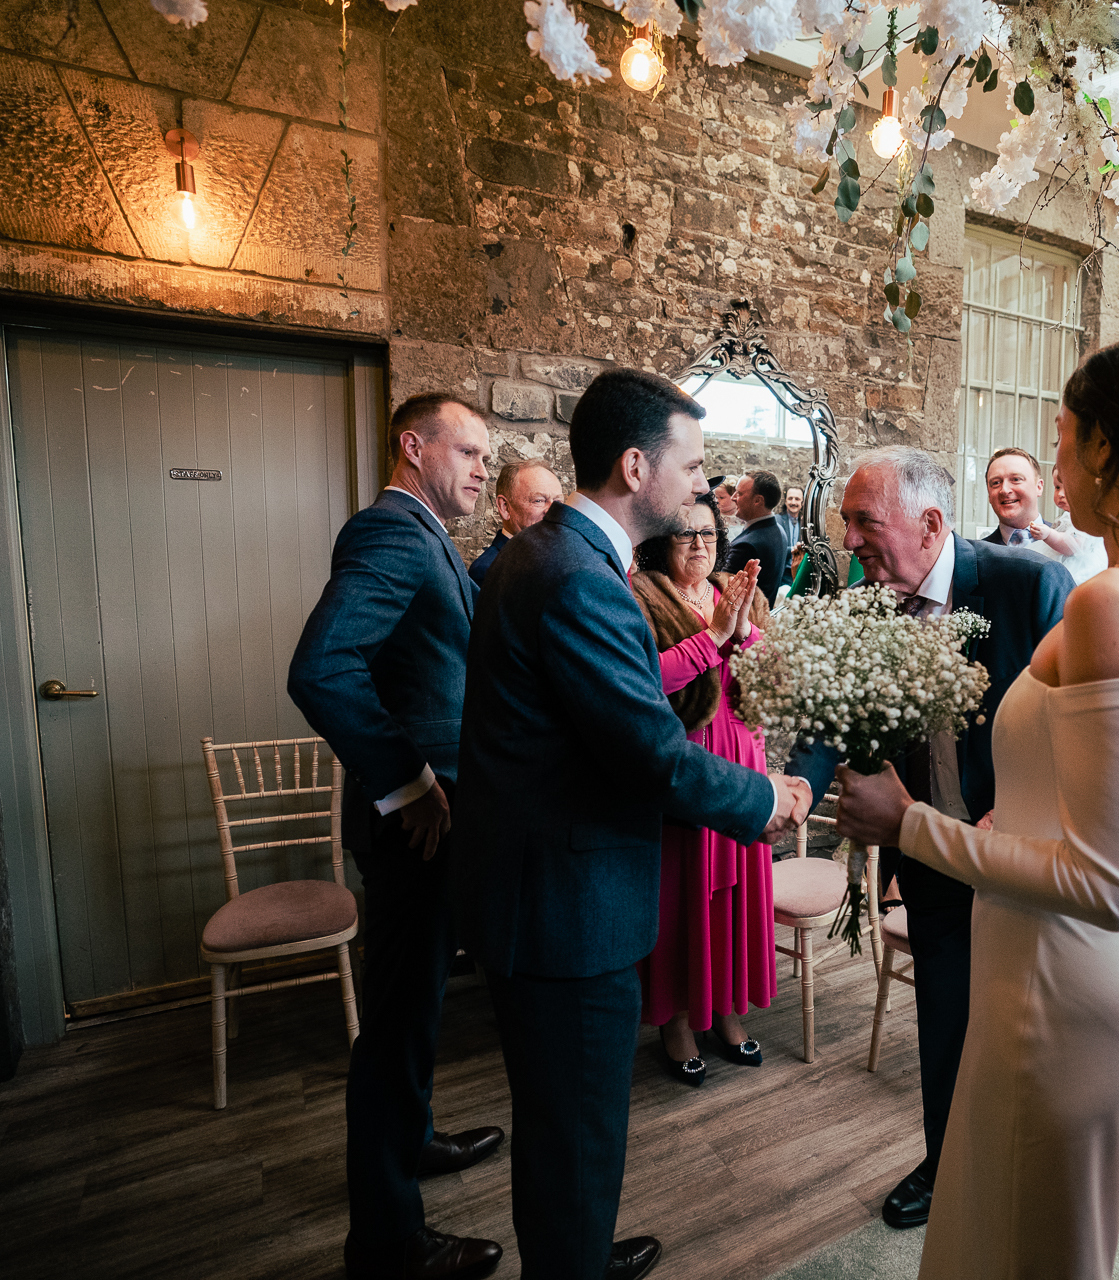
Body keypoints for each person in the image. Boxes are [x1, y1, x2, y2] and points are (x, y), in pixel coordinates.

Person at [832, 325, 1119, 1278]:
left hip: (1051, 983)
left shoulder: (1111, 605)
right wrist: (1007, 820)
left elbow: (1104, 884)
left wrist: (909, 825)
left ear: (1106, 448)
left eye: (1061, 442)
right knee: (1044, 1242)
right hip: (1063, 968)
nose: (1053, 473)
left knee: (1020, 1244)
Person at [452, 369, 811, 1280]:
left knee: (567, 1133)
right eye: (691, 467)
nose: (703, 485)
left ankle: (572, 1250)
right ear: (636, 463)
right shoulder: (581, 580)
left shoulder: (550, 558)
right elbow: (649, 753)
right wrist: (767, 798)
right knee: (575, 1134)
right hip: (567, 912)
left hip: (540, 894)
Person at [786, 446, 1072, 1234]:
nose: (848, 541)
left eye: (862, 521)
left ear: (932, 523)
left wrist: (1012, 813)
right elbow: (829, 700)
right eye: (845, 521)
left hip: (1014, 862)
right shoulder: (867, 593)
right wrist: (803, 782)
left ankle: (1022, 1168)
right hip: (927, 862)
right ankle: (945, 1163)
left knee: (1019, 1031)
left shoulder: (1030, 587)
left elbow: (1070, 729)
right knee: (944, 1024)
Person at [287, 393, 506, 1280]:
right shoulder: (391, 533)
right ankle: (386, 1243)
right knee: (393, 1027)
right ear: (413, 448)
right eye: (471, 450)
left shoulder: (429, 540)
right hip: (413, 825)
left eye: (490, 456)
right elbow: (322, 668)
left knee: (415, 1009)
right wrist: (408, 782)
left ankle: (412, 1142)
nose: (485, 469)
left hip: (436, 822)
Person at [629, 494, 775, 1086]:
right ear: (662, 541)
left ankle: (729, 1012)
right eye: (685, 534)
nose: (699, 544)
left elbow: (764, 669)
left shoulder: (735, 590)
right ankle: (679, 1021)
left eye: (709, 533)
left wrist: (744, 637)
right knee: (687, 894)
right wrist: (715, 636)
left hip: (741, 753)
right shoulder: (640, 596)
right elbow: (646, 682)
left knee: (736, 895)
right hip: (686, 762)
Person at [468, 460, 562, 586]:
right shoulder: (488, 570)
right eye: (539, 500)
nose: (553, 511)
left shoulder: (562, 558)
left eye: (557, 502)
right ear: (505, 507)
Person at [981, 446, 1078, 554]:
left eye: (1016, 479)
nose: (1004, 490)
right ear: (989, 494)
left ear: (1039, 487)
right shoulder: (978, 555)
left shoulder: (1071, 539)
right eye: (996, 483)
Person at [1025, 472, 1108, 582]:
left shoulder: (1085, 519)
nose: (1060, 494)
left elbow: (1073, 543)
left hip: (1076, 569)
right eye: (1057, 487)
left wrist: (1049, 534)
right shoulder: (1069, 516)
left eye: (1068, 487)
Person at [722, 470, 790, 604]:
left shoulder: (747, 545)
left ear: (758, 500)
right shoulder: (778, 529)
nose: (733, 497)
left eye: (739, 493)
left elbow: (719, 586)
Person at [775, 484, 803, 551]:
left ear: (802, 502)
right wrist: (793, 549)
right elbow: (775, 548)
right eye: (790, 498)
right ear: (785, 501)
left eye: (797, 499)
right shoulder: (777, 520)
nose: (793, 502)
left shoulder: (806, 522)